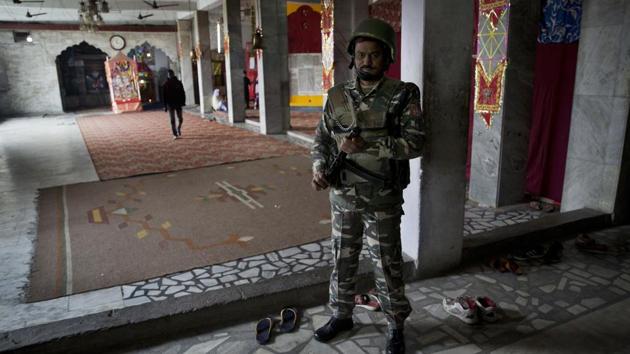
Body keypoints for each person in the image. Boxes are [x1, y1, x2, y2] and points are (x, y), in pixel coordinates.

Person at [310, 18, 424, 354]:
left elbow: (415, 143)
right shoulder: (336, 96)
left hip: (382, 198)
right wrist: (319, 166)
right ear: (352, 57)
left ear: (387, 57)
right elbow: (322, 140)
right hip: (343, 197)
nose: (366, 61)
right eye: (361, 55)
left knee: (386, 264)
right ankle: (341, 314)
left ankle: (394, 324)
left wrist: (368, 148)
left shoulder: (402, 94)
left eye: (374, 55)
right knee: (341, 260)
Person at [162, 69, 186, 139]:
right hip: (170, 104)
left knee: (180, 119)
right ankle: (174, 133)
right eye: (169, 75)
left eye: (171, 74)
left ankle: (178, 128)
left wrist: (183, 102)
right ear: (168, 76)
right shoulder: (165, 84)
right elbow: (164, 96)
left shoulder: (178, 83)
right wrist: (165, 106)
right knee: (172, 120)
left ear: (173, 74)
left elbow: (182, 93)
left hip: (178, 103)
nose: (170, 76)